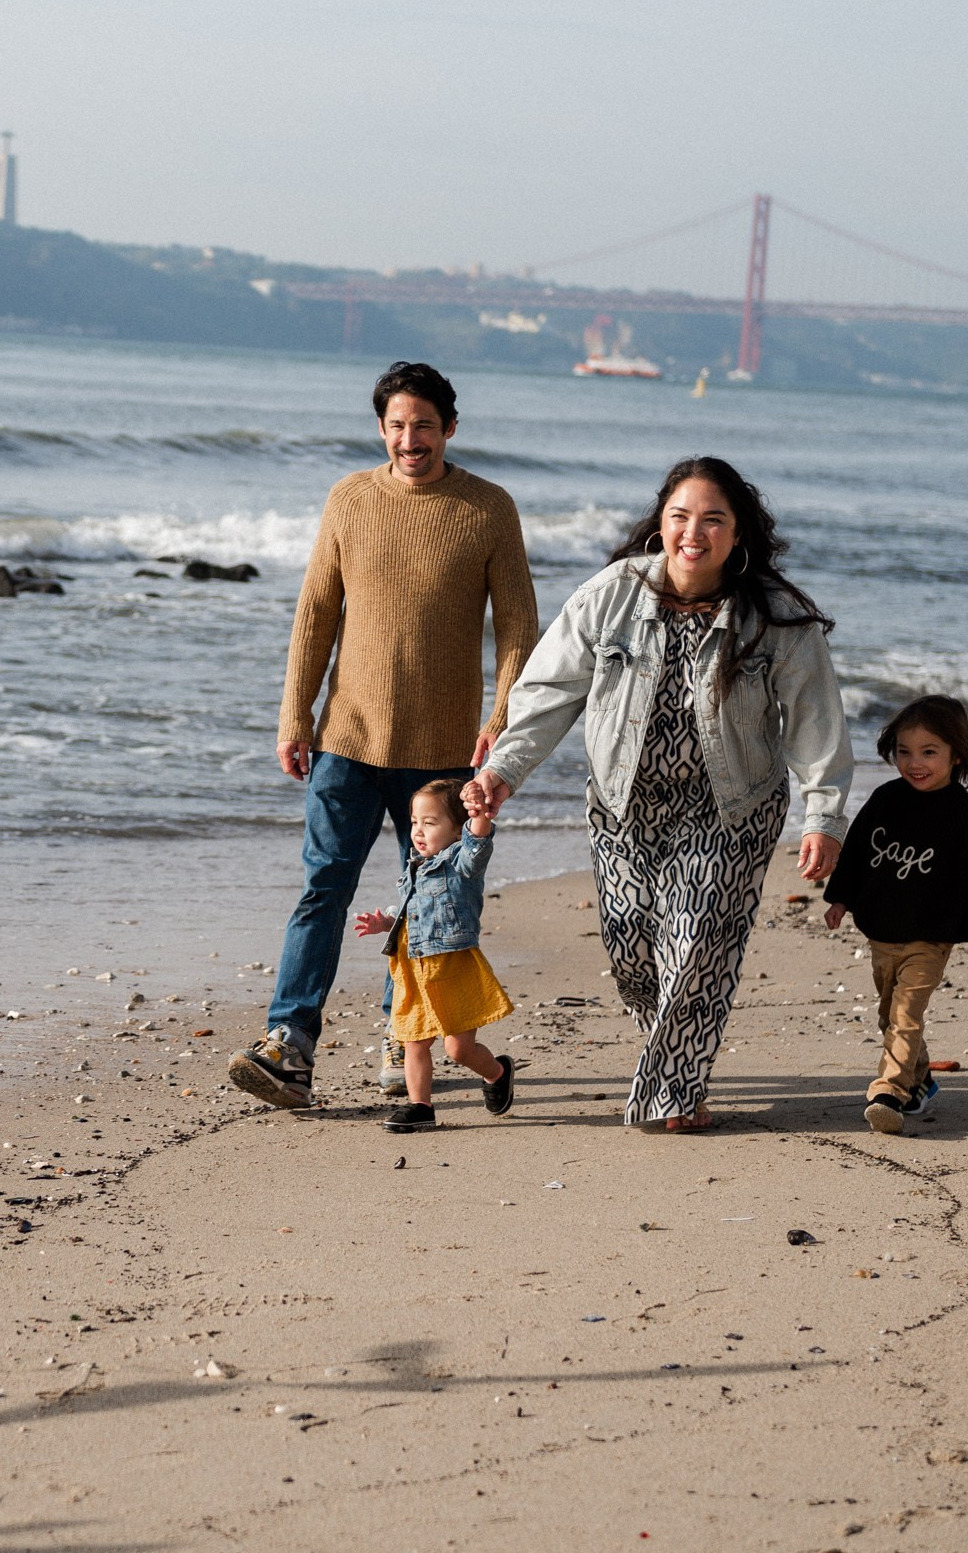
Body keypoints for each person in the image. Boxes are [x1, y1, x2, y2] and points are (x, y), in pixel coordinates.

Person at [476, 457, 852, 1131]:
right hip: (624, 806)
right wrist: (505, 769)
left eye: (713, 520)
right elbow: (548, 690)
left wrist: (823, 814)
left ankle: (673, 1092)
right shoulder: (613, 594)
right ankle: (680, 1064)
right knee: (632, 952)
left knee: (699, 941)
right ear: (661, 523)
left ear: (738, 534)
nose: (694, 533)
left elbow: (815, 720)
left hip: (730, 807)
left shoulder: (773, 616)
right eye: (680, 516)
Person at [228, 361, 539, 1111]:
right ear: (381, 429)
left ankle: (410, 1043)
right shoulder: (350, 498)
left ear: (450, 429)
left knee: (429, 907)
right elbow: (315, 615)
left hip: (441, 755)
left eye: (425, 425)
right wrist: (294, 714)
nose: (410, 439)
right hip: (347, 743)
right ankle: (290, 1045)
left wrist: (501, 720)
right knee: (322, 889)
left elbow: (520, 628)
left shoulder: (488, 508)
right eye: (397, 425)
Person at [820, 694, 968, 1135]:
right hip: (881, 932)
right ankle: (921, 1081)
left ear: (956, 754)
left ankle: (888, 1092)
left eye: (929, 752)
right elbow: (857, 855)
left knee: (906, 1016)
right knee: (890, 1015)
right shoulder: (886, 799)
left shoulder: (967, 816)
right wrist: (840, 899)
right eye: (904, 752)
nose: (915, 763)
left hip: (931, 938)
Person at [350, 777, 516, 1133]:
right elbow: (416, 914)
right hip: (412, 967)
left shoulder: (460, 863)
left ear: (457, 829)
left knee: (458, 1049)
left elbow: (478, 844)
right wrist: (387, 923)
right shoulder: (414, 866)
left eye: (431, 822)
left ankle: (497, 1072)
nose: (419, 831)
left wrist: (479, 814)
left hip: (450, 966)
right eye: (414, 822)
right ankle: (420, 1106)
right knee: (414, 1040)